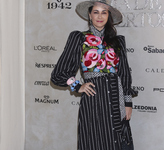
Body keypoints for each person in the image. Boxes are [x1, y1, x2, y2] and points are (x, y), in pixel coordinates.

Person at [51, 0, 138, 150]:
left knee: (118, 141)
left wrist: (128, 103)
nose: (100, 16)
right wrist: (77, 85)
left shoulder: (118, 41)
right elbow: (59, 72)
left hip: (117, 98)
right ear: (89, 15)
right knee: (94, 140)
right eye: (96, 12)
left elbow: (124, 73)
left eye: (104, 12)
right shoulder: (79, 38)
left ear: (108, 16)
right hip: (94, 101)